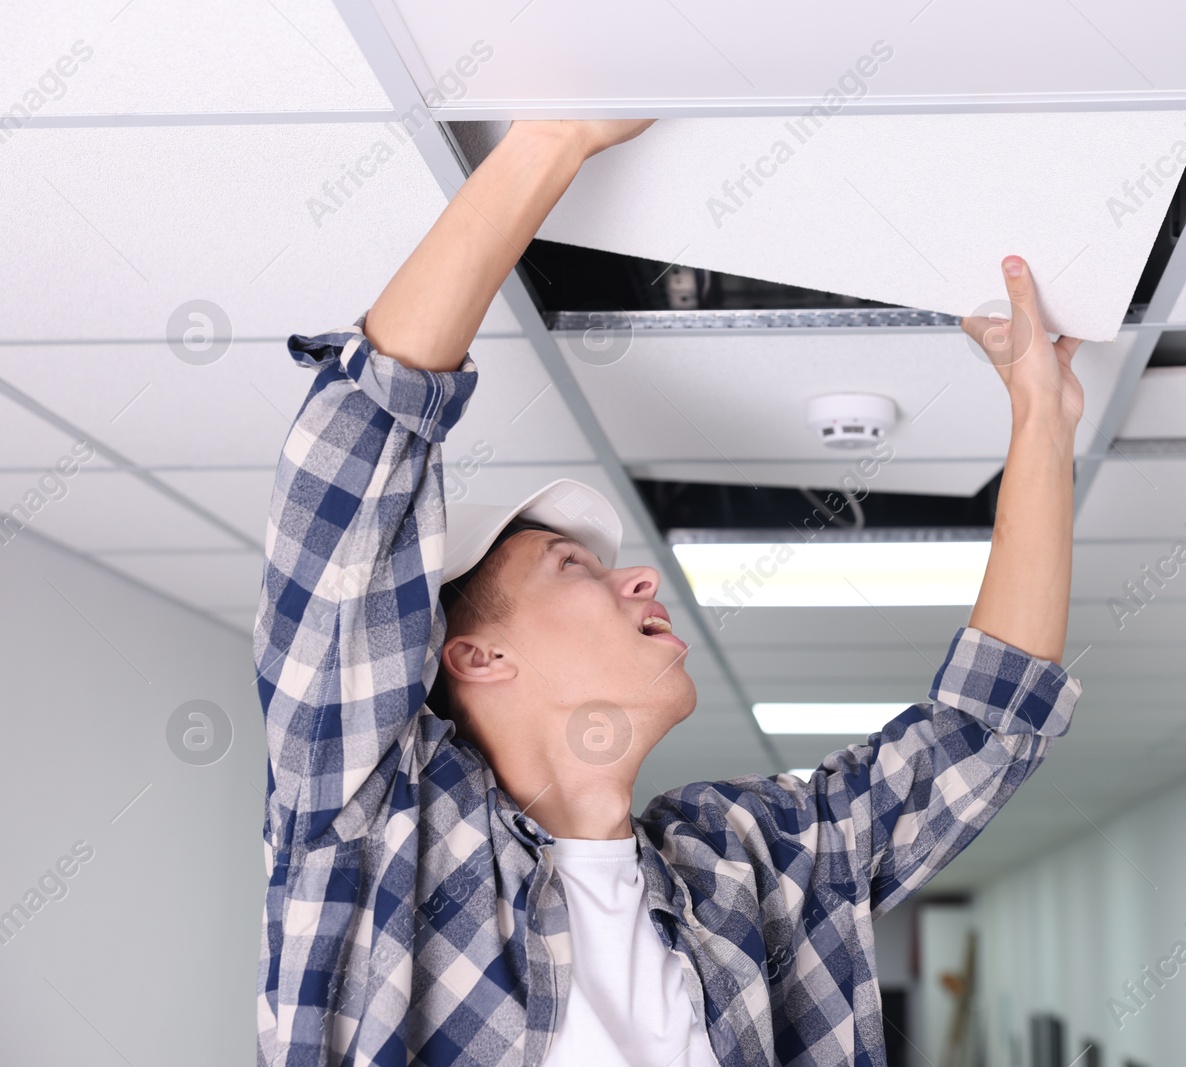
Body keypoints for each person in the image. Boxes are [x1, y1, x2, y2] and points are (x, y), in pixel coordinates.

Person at [252, 117, 1086, 1067]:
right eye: (575, 565)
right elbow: (360, 442)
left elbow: (983, 726)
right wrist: (551, 138)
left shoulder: (742, 866)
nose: (639, 574)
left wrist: (1041, 419)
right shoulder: (380, 830)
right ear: (476, 654)